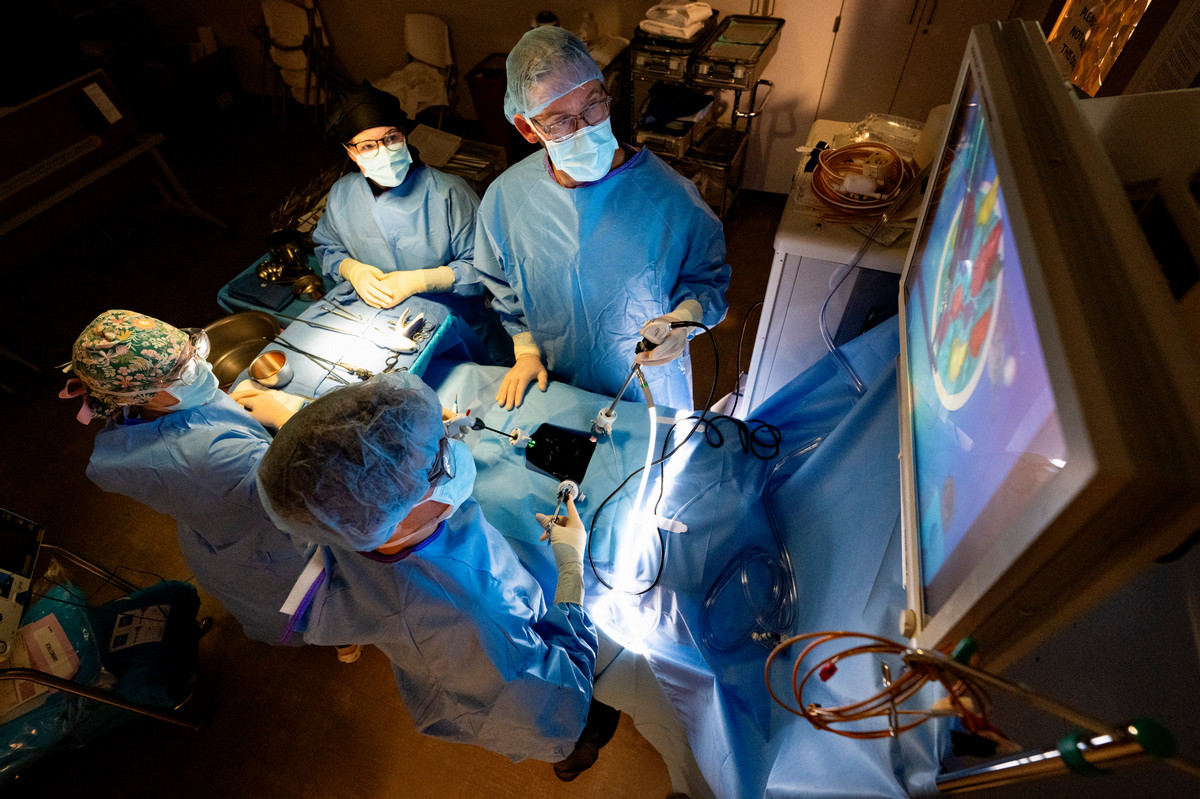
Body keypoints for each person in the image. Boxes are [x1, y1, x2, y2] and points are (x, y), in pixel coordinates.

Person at [255, 371, 619, 774]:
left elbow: (343, 466)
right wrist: (571, 568)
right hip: (523, 704)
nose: (451, 456)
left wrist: (426, 440)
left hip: (451, 654)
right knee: (576, 724)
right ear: (389, 518)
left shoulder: (346, 520)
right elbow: (548, 704)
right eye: (435, 464)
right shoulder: (470, 612)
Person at [472, 26, 731, 412]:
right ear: (528, 128)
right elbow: (502, 288)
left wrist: (684, 318)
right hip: (555, 386)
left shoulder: (669, 198)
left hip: (647, 388)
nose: (586, 127)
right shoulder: (506, 199)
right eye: (560, 120)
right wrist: (526, 350)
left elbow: (707, 280)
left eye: (593, 105)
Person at [59, 310, 307, 646]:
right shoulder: (208, 454)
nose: (198, 368)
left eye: (189, 351)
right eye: (178, 371)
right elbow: (306, 485)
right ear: (135, 394)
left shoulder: (142, 410)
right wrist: (290, 420)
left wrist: (225, 413)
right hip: (270, 549)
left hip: (221, 531)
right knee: (314, 612)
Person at [313, 80, 504, 363]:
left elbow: (485, 268)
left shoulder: (449, 192)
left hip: (460, 327)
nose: (384, 151)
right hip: (383, 325)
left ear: (404, 135)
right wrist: (352, 270)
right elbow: (328, 246)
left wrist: (421, 280)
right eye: (367, 146)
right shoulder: (343, 194)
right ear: (350, 152)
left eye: (391, 138)